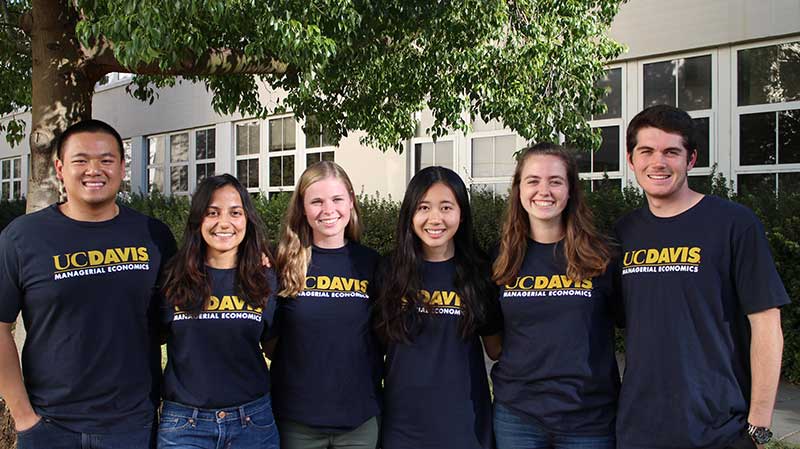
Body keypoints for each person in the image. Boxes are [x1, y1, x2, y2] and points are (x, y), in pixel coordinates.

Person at [615, 104, 789, 449]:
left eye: (671, 152)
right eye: (646, 151)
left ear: (691, 160)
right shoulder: (624, 232)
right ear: (631, 159)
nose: (658, 162)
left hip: (718, 429)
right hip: (638, 428)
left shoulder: (734, 224)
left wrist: (759, 424)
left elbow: (767, 324)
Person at [0, 119, 176, 449]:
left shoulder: (154, 236)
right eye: (81, 160)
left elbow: (177, 316)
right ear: (59, 167)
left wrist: (252, 257)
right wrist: (24, 418)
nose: (94, 169)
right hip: (50, 427)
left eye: (106, 160)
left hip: (133, 428)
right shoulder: (22, 238)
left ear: (123, 168)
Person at [489, 143, 619, 449]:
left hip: (589, 417)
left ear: (571, 189)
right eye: (533, 180)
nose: (543, 190)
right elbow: (494, 342)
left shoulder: (602, 257)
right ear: (518, 189)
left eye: (555, 181)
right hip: (517, 416)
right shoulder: (503, 257)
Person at [374, 166, 500, 449]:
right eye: (424, 207)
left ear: (462, 213)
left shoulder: (479, 272)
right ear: (410, 215)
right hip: (402, 426)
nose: (435, 218)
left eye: (446, 207)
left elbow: (496, 347)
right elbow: (374, 344)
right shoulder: (388, 270)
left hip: (465, 425)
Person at [158, 174, 279, 448]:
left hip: (253, 422)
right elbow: (154, 338)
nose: (224, 223)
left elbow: (274, 347)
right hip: (184, 426)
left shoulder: (266, 278)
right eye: (212, 213)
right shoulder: (170, 276)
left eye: (235, 213)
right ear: (198, 220)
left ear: (247, 219)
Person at [269, 161, 382, 449]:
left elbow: (384, 338)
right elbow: (269, 342)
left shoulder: (372, 264)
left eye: (337, 199)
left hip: (359, 421)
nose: (328, 210)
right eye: (316, 201)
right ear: (303, 208)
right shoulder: (281, 263)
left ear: (351, 202)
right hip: (296, 421)